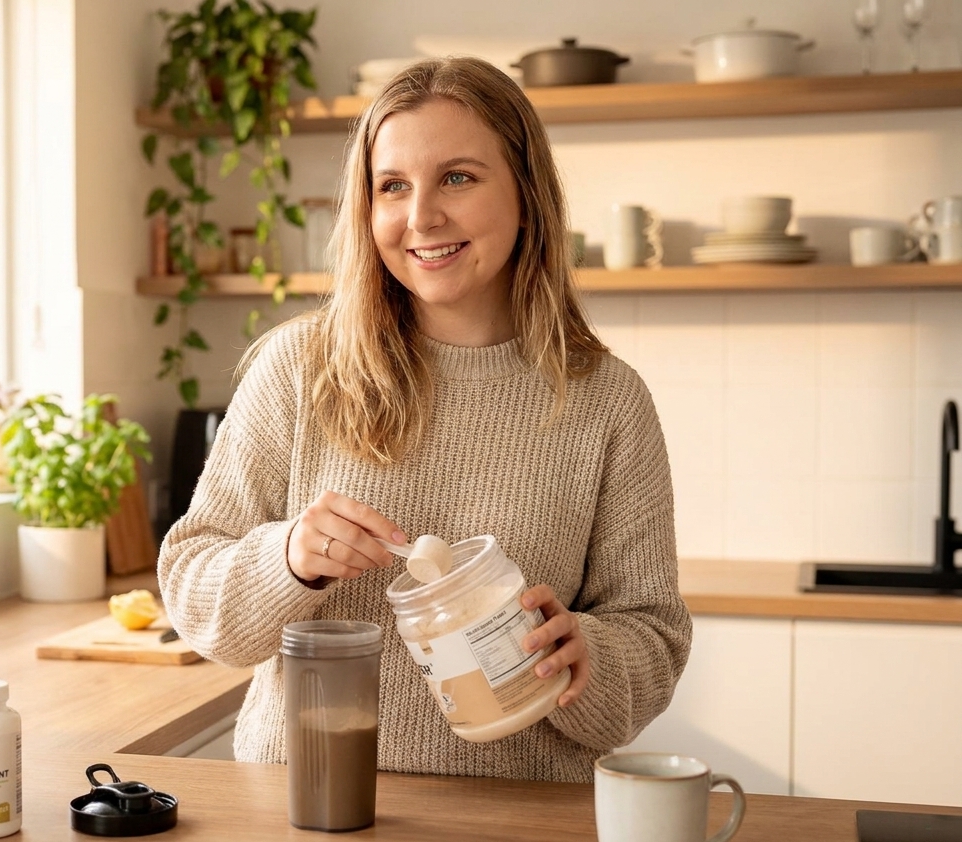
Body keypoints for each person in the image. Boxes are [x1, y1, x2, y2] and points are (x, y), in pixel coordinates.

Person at [157, 56, 692, 783]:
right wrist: (287, 558)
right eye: (393, 187)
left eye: (459, 178)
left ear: (528, 195)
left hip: (524, 818)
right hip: (308, 807)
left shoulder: (607, 401)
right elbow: (191, 587)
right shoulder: (298, 368)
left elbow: (653, 637)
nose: (421, 217)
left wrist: (587, 653)